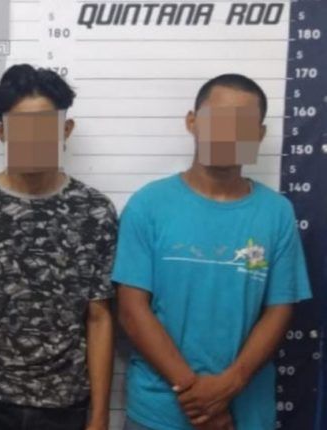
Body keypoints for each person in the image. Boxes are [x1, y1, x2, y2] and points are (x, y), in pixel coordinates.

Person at [114, 74, 312, 430]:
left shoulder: (276, 212)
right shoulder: (149, 205)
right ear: (192, 122)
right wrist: (198, 397)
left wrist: (229, 385)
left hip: (246, 412)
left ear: (259, 134)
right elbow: (131, 310)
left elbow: (279, 309)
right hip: (159, 412)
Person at [0, 64, 116, 430]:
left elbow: (99, 317)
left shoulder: (94, 211)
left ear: (66, 129)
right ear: (1, 132)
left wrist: (99, 417)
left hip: (66, 404)